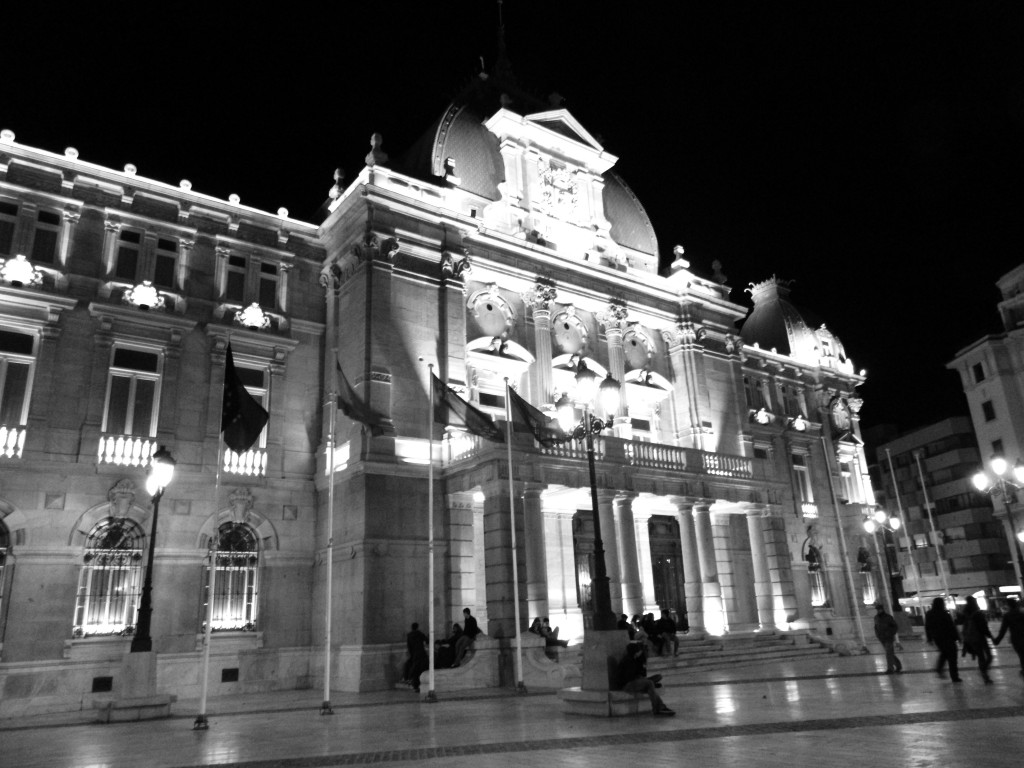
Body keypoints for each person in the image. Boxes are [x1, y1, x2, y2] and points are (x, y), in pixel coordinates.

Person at [616, 641, 674, 716]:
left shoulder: (635, 659)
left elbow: (641, 673)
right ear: (635, 651)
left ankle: (660, 707)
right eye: (638, 651)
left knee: (651, 685)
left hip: (633, 682)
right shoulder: (628, 660)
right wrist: (641, 679)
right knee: (649, 683)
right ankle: (658, 708)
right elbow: (629, 677)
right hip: (627, 685)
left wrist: (641, 665)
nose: (640, 652)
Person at [924, 598, 961, 682]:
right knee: (952, 656)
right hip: (948, 637)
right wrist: (957, 637)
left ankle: (940, 669)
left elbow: (927, 627)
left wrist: (929, 638)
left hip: (938, 638)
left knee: (944, 653)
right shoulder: (944, 613)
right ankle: (954, 676)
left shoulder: (929, 614)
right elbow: (951, 626)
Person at [961, 595, 994, 684]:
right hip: (980, 638)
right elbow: (984, 627)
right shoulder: (977, 613)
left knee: (981, 657)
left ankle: (985, 676)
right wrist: (991, 636)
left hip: (972, 638)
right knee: (989, 656)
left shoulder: (966, 613)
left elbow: (965, 627)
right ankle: (984, 672)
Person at [994, 598, 1024, 677]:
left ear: (1009, 606)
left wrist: (997, 640)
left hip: (1016, 639)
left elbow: (1003, 630)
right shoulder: (1022, 614)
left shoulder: (1007, 616)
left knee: (1021, 654)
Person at [873, 603, 902, 674]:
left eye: (879, 609)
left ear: (882, 609)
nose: (878, 610)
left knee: (889, 653)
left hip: (888, 637)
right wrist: (878, 635)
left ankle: (890, 668)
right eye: (877, 609)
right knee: (890, 653)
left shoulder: (888, 617)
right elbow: (876, 627)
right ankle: (898, 665)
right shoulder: (876, 617)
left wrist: (890, 633)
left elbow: (894, 626)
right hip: (882, 638)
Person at [403, 622, 428, 692]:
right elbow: (427, 640)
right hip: (421, 654)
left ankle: (415, 685)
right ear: (417, 627)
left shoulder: (409, 635)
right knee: (421, 669)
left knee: (415, 671)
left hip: (414, 655)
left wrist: (411, 655)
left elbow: (409, 647)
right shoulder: (419, 633)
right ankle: (420, 684)